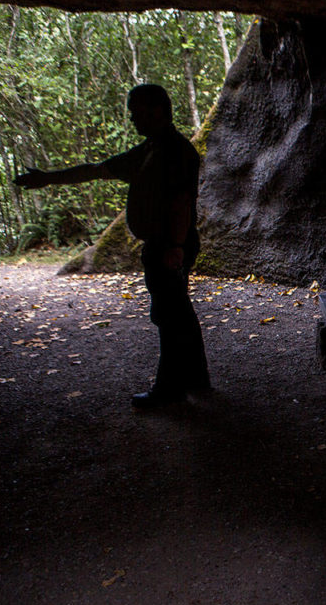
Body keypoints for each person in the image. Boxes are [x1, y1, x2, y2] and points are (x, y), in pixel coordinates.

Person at [15, 84, 210, 409]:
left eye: (138, 112)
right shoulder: (150, 150)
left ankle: (169, 392)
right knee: (179, 312)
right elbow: (97, 170)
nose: (133, 118)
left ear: (157, 111)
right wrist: (48, 178)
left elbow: (181, 202)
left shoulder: (175, 151)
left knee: (168, 315)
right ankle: (196, 377)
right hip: (166, 244)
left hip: (170, 245)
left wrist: (174, 246)